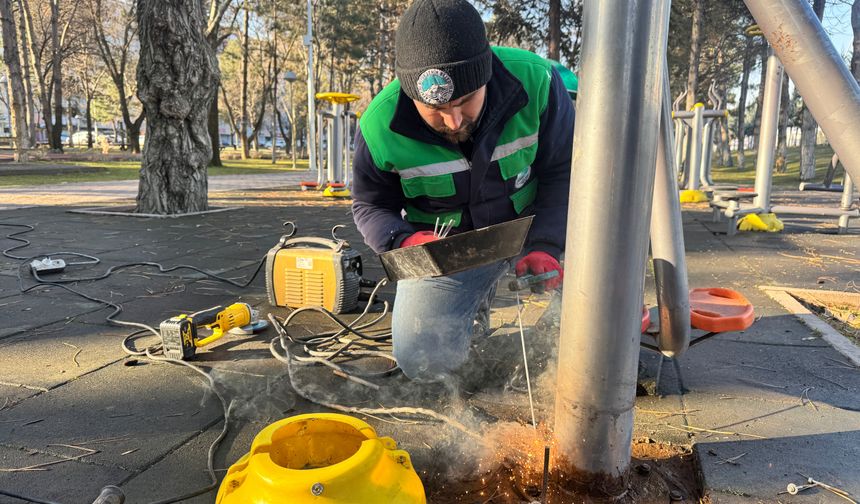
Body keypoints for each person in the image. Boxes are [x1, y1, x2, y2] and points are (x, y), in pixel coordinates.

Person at [352, 0, 574, 381]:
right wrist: (403, 242)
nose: (453, 121)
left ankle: (562, 340)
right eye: (434, 109)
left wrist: (547, 244)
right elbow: (370, 204)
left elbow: (566, 173)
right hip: (448, 250)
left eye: (465, 101)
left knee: (602, 314)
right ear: (409, 93)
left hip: (533, 226)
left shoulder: (537, 82)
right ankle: (470, 304)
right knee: (423, 360)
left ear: (485, 73)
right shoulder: (378, 126)